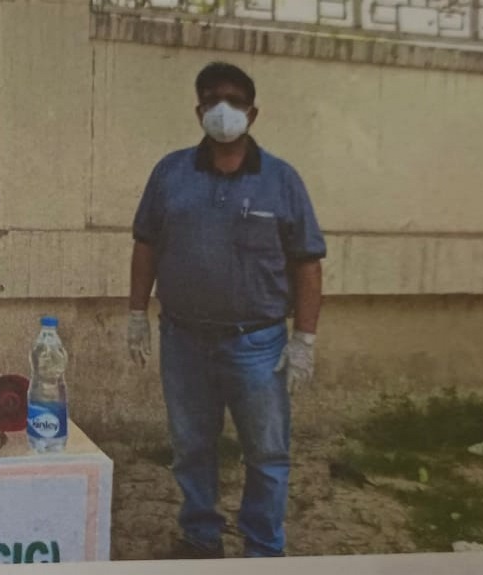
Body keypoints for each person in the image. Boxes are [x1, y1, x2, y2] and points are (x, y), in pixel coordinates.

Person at [126, 62, 326, 559]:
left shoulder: (282, 180)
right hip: (183, 339)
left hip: (257, 344)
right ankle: (200, 538)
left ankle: (262, 550)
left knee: (267, 452)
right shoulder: (171, 173)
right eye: (213, 99)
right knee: (191, 446)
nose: (223, 109)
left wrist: (304, 339)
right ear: (198, 111)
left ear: (253, 113)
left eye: (235, 101)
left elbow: (307, 261)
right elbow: (146, 244)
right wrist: (136, 315)